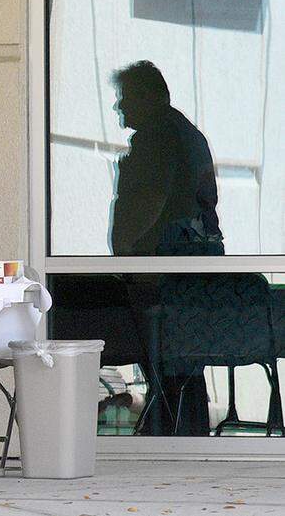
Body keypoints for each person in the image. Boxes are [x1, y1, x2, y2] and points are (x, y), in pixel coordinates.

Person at [110, 59, 223, 436]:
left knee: (168, 361)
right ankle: (185, 435)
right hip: (191, 266)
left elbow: (148, 203)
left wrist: (126, 255)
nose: (119, 107)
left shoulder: (159, 135)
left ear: (149, 97)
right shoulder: (186, 133)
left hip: (167, 269)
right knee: (183, 364)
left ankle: (172, 436)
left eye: (125, 97)